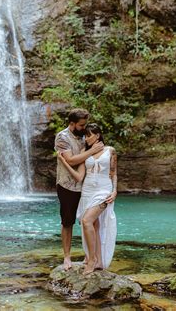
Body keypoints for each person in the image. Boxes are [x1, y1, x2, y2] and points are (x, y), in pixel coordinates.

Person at [58, 123, 117, 275]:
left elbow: (113, 173)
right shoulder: (86, 152)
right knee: (94, 225)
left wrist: (115, 190)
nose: (86, 138)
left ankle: (91, 260)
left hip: (104, 190)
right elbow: (79, 177)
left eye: (89, 135)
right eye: (85, 135)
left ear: (97, 135)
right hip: (87, 191)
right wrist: (64, 162)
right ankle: (95, 258)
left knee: (86, 221)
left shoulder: (110, 150)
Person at [54, 109, 104, 271]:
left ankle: (90, 255)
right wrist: (91, 151)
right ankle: (67, 257)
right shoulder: (62, 137)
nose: (84, 128)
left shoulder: (85, 136)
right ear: (72, 123)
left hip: (87, 186)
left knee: (89, 221)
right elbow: (71, 160)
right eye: (81, 125)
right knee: (68, 221)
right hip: (67, 185)